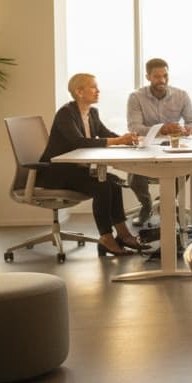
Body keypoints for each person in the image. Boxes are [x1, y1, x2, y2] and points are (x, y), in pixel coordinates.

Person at [37, 73, 145, 258]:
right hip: (56, 174)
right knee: (102, 186)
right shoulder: (66, 113)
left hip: (76, 172)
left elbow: (105, 133)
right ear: (79, 92)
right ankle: (106, 238)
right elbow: (79, 142)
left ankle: (123, 234)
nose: (98, 91)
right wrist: (118, 140)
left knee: (113, 183)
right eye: (93, 87)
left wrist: (128, 139)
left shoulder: (92, 113)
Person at [125, 57, 192, 226]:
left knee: (187, 167)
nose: (162, 80)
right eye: (157, 76)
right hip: (146, 147)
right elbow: (134, 128)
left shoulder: (181, 95)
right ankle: (147, 205)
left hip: (173, 147)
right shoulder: (136, 97)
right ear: (148, 77)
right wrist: (162, 129)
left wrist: (188, 128)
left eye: (165, 75)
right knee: (134, 176)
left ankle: (166, 201)